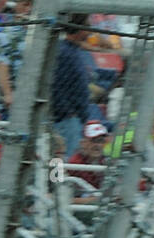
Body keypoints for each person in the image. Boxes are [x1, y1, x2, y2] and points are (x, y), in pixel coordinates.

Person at [52, 14, 95, 158]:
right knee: (61, 160)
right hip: (66, 121)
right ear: (79, 29)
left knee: (67, 162)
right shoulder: (64, 52)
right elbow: (55, 85)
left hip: (73, 120)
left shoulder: (73, 51)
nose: (90, 31)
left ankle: (56, 180)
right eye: (87, 27)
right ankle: (54, 180)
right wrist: (67, 113)